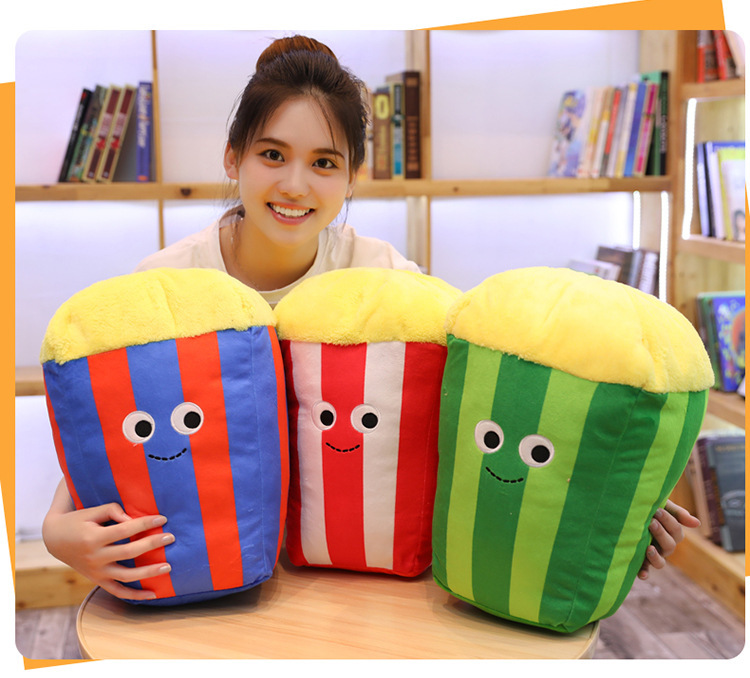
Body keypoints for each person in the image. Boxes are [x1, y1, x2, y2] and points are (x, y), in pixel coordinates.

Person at [41, 35, 699, 602]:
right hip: (219, 582)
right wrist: (56, 528)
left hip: (361, 577)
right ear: (232, 157)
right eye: (272, 155)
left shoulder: (386, 281)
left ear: (354, 176)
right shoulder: (165, 287)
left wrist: (613, 500)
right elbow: (108, 429)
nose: (295, 184)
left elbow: (482, 402)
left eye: (324, 163)